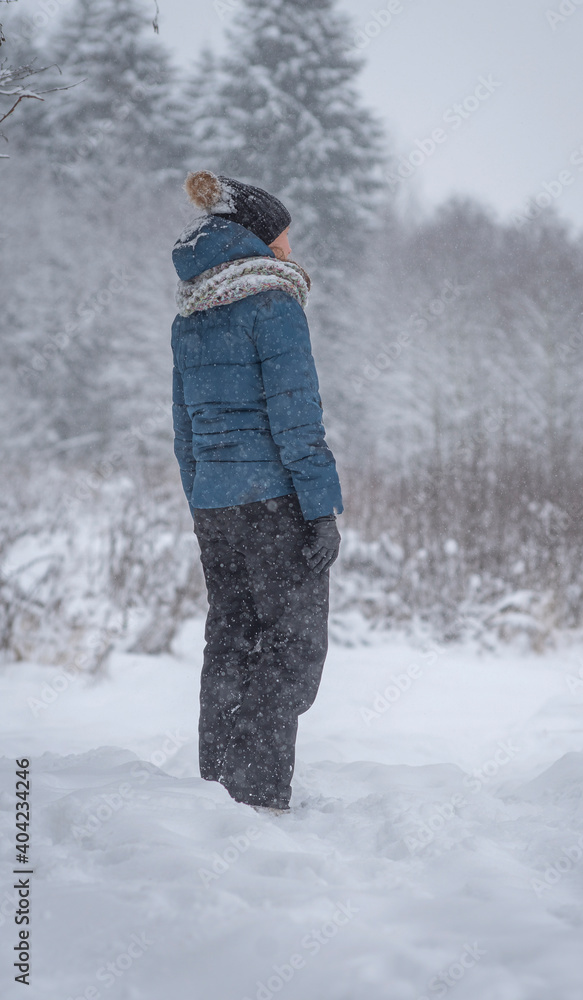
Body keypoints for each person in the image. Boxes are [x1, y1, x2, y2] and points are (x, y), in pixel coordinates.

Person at [171, 170, 343, 815]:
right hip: (276, 504)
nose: (291, 250)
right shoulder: (274, 305)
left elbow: (184, 426)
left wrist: (201, 499)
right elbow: (297, 418)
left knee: (232, 638)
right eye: (285, 237)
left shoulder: (189, 313)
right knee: (293, 646)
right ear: (261, 240)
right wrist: (321, 507)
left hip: (217, 503)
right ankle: (259, 793)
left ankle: (217, 791)